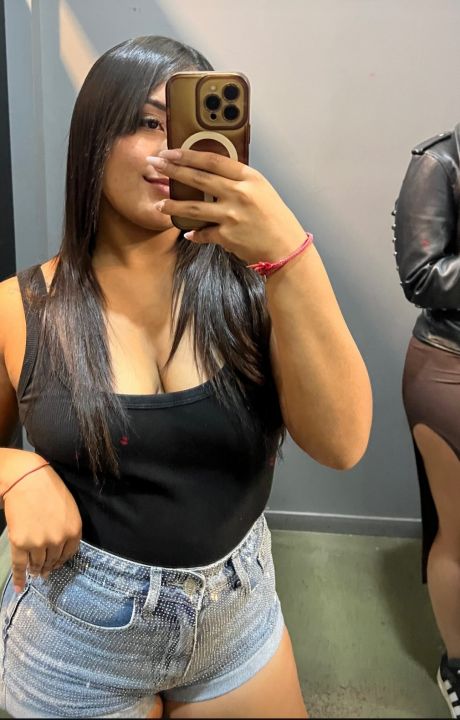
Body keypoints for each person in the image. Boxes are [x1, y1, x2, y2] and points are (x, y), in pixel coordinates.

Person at [0, 36, 372, 719]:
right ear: (94, 138)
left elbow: (342, 443)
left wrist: (290, 256)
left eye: (193, 127)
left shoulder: (257, 289)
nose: (175, 151)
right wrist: (11, 470)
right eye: (148, 122)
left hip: (237, 618)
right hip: (76, 638)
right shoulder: (16, 308)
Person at [394, 122, 460, 718]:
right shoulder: (440, 163)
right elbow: (421, 276)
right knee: (459, 534)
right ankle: (457, 665)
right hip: (449, 366)